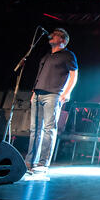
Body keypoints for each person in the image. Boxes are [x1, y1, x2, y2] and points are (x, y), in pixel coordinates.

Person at [25, 28, 78, 177]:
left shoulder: (68, 55)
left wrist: (67, 93)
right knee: (35, 129)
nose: (51, 36)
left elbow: (74, 75)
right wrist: (34, 91)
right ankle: (29, 162)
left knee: (49, 129)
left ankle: (43, 163)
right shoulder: (47, 56)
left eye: (54, 35)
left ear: (62, 40)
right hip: (38, 94)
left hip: (53, 95)